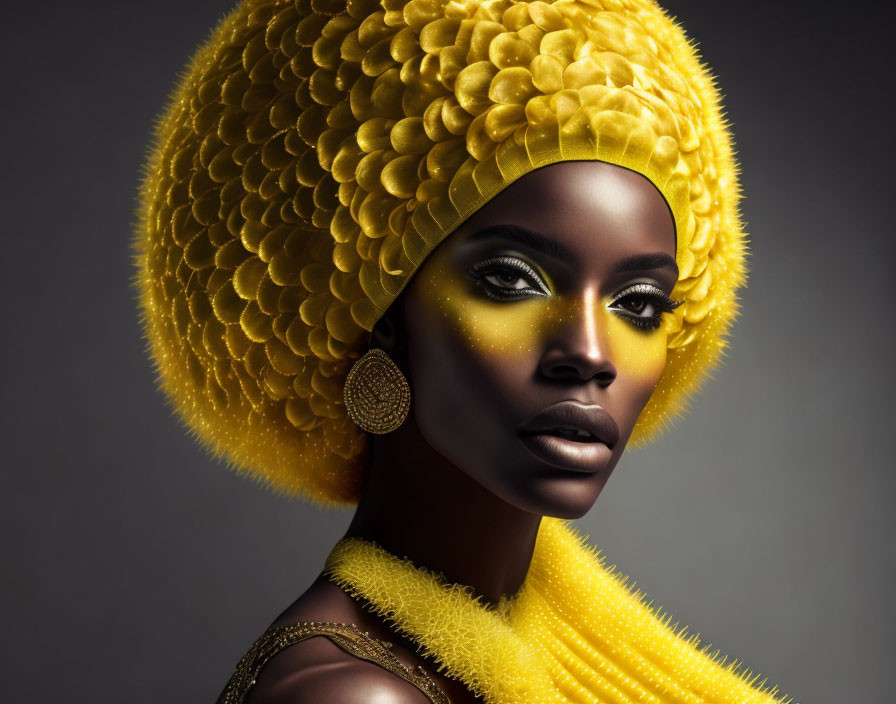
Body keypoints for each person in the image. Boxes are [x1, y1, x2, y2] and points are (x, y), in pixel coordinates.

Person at [134, 0, 789, 701]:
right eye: (511, 281)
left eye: (639, 304)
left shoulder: (516, 633)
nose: (591, 352)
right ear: (376, 313)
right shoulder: (352, 694)